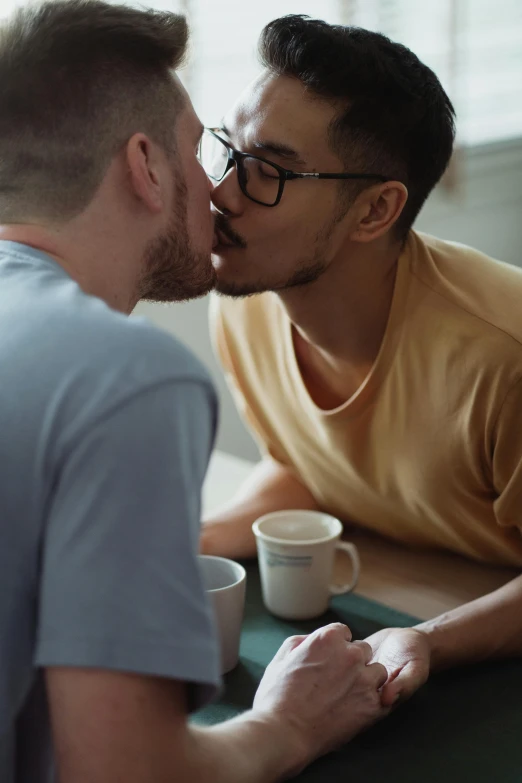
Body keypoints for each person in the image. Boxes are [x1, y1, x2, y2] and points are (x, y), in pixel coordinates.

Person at [0, 3, 390, 782]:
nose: (221, 194)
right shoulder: (129, 377)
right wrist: (288, 722)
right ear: (145, 166)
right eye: (199, 152)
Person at [202, 15, 522, 707]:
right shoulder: (244, 300)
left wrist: (430, 639)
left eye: (268, 171)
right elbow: (309, 464)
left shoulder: (504, 356)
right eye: (228, 150)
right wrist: (193, 544)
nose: (221, 194)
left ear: (375, 210)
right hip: (402, 578)